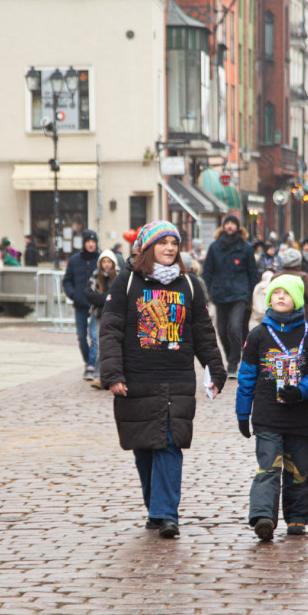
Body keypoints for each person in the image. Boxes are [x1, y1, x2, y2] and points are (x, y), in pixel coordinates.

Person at [99, 221, 227, 539]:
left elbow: (203, 332)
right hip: (137, 378)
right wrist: (113, 374)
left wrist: (215, 369)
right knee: (144, 447)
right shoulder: (127, 281)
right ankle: (155, 509)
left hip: (177, 378)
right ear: (148, 247)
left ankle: (166, 513)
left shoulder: (190, 284)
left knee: (170, 443)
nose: (170, 248)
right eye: (162, 242)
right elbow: (110, 329)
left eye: (174, 243)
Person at [236, 275, 308, 541]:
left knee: (299, 469)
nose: (280, 297)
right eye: (275, 293)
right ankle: (263, 516)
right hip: (268, 416)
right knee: (268, 467)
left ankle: (297, 517)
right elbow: (246, 377)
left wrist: (301, 390)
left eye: (286, 293)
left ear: (296, 299)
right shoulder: (258, 335)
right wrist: (243, 412)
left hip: (300, 417)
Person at [202, 215, 257, 378]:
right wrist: (205, 294)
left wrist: (251, 296)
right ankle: (230, 357)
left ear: (238, 227)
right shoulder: (214, 247)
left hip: (240, 294)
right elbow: (207, 272)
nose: (230, 226)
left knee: (234, 328)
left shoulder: (246, 248)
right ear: (223, 226)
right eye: (228, 223)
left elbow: (253, 274)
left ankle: (233, 364)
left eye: (233, 223)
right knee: (222, 331)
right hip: (220, 294)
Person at [63, 229, 101, 380]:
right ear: (84, 243)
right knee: (81, 336)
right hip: (80, 303)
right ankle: (88, 362)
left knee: (95, 336)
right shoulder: (74, 260)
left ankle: (91, 365)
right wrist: (73, 294)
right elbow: (67, 280)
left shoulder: (100, 258)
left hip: (96, 304)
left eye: (93, 242)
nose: (91, 244)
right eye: (88, 242)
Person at [84, 249, 119, 389]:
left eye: (109, 261)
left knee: (113, 346)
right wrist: (106, 298)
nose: (106, 264)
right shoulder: (94, 276)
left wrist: (104, 298)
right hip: (98, 315)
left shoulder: (119, 277)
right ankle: (98, 376)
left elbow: (119, 296)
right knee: (99, 344)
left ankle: (111, 376)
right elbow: (89, 294)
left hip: (115, 315)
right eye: (104, 261)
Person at [274, 248, 308, 326]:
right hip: (301, 319)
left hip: (279, 318)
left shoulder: (275, 277)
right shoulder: (303, 277)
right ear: (298, 262)